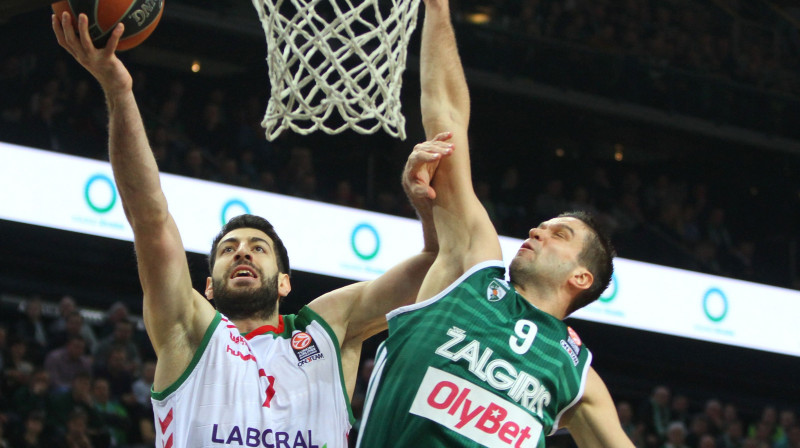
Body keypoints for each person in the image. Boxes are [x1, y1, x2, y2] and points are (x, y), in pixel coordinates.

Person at [52, 11, 438, 448]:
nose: (242, 252)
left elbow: (439, 268)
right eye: (229, 249)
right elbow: (150, 218)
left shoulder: (328, 329)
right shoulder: (191, 331)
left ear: (285, 283)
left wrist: (426, 207)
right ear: (209, 288)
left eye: (258, 248)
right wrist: (119, 91)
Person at [356, 0, 634, 446]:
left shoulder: (578, 376)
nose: (535, 231)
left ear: (582, 276)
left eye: (558, 234)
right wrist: (438, 8)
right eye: (541, 226)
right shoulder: (471, 270)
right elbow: (446, 117)